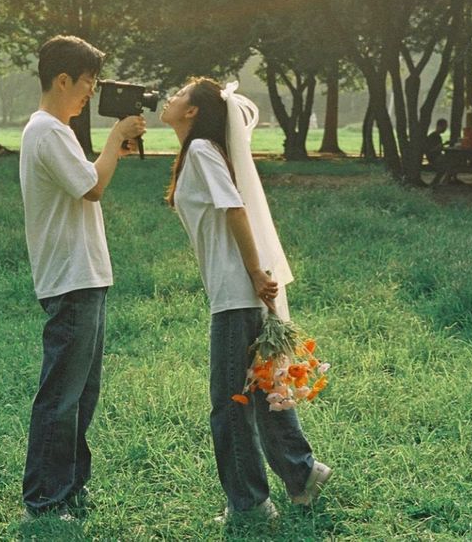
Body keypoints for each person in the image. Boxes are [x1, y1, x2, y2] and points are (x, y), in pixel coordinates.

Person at [161, 77, 331, 524]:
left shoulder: (200, 150)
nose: (169, 98)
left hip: (237, 294)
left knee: (229, 402)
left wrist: (256, 273)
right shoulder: (198, 151)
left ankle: (250, 505)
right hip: (238, 291)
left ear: (194, 111)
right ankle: (302, 473)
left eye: (177, 94)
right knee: (257, 391)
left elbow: (234, 207)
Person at [19, 35, 146, 520]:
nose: (90, 92)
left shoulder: (55, 130)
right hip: (71, 279)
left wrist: (113, 142)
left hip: (83, 276)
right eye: (87, 83)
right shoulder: (48, 131)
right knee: (61, 396)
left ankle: (69, 486)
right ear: (63, 79)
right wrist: (116, 139)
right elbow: (92, 187)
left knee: (81, 395)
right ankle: (44, 500)